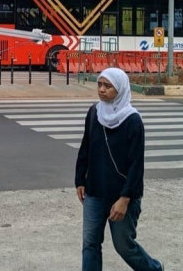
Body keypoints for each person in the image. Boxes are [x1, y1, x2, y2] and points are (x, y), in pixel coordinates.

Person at [75, 67, 164, 271]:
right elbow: (86, 147)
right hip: (95, 192)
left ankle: (153, 268)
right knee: (90, 244)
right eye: (99, 84)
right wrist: (80, 179)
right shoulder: (94, 112)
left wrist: (125, 199)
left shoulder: (132, 120)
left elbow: (136, 164)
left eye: (108, 86)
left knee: (124, 246)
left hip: (122, 195)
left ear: (121, 89)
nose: (102, 90)